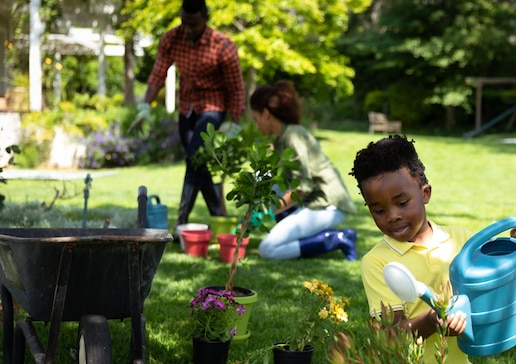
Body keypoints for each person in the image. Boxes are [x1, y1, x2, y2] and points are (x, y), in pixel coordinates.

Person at [350, 135, 516, 364]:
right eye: (378, 210)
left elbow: (507, 289)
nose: (391, 216)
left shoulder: (462, 241)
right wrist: (431, 321)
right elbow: (390, 337)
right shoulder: (378, 262)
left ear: (425, 193)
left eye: (402, 203)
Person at [131, 0, 245, 235]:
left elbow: (236, 88)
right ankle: (219, 219)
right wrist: (145, 107)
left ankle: (181, 222)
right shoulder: (172, 39)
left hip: (213, 108)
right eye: (184, 23)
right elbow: (158, 74)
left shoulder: (222, 46)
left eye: (193, 25)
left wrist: (236, 121)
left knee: (195, 156)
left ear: (205, 18)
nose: (188, 29)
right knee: (197, 163)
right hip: (187, 109)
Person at [249, 80, 358, 260]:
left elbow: (301, 189)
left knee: (267, 249)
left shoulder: (293, 136)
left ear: (266, 114)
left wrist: (267, 213)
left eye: (256, 119)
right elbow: (281, 184)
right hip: (313, 202)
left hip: (327, 204)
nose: (256, 125)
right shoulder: (282, 139)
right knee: (268, 187)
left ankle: (337, 238)